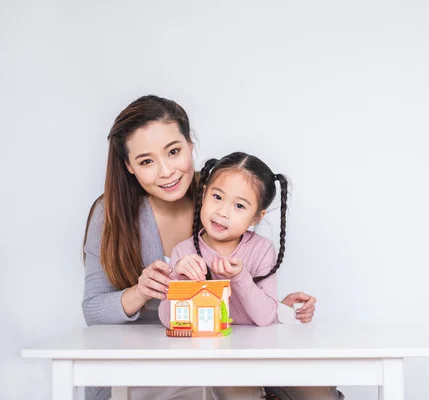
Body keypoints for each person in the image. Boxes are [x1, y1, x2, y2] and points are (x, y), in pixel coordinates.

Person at [83, 95, 318, 400]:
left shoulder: (222, 195)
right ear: (129, 166)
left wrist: (276, 309)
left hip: (228, 359)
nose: (166, 171)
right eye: (146, 161)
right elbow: (93, 311)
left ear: (190, 146)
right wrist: (142, 291)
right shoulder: (111, 213)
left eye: (174, 151)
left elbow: (245, 306)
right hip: (148, 368)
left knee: (315, 387)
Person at [158, 152, 344, 400]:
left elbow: (266, 316)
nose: (223, 212)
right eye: (217, 197)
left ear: (256, 217)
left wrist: (241, 277)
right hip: (222, 360)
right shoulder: (185, 251)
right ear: (203, 195)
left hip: (267, 354)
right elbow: (167, 319)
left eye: (239, 206)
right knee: (238, 394)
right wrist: (181, 281)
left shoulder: (261, 249)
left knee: (320, 392)